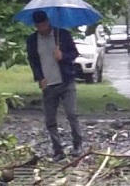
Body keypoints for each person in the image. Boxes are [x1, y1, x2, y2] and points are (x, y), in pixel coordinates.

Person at [25, 10, 84, 161]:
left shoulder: (62, 35)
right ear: (36, 26)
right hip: (48, 84)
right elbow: (33, 61)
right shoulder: (32, 40)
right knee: (50, 119)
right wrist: (39, 77)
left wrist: (62, 56)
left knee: (71, 113)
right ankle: (58, 150)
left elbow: (74, 53)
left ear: (48, 22)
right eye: (39, 25)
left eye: (44, 24)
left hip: (66, 81)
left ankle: (78, 145)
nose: (42, 28)